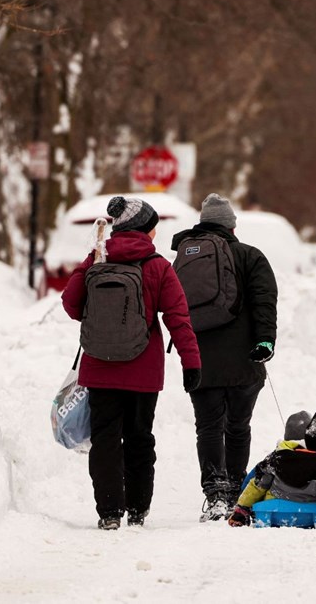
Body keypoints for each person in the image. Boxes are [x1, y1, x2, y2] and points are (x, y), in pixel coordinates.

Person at [62, 196, 201, 530]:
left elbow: (71, 305)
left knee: (106, 438)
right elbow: (177, 317)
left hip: (99, 366)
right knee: (140, 437)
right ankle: (137, 509)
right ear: (144, 229)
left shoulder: (98, 258)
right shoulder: (156, 266)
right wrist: (191, 362)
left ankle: (109, 512)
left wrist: (89, 264)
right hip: (143, 368)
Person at [171, 193, 278, 521]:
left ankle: (215, 493)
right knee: (237, 425)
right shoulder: (250, 256)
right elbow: (264, 300)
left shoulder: (185, 258)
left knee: (207, 426)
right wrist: (265, 341)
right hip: (243, 357)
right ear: (232, 225)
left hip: (199, 357)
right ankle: (234, 489)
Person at [240, 410, 316, 503]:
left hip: (277, 502)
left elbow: (255, 475)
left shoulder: (275, 457)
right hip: (311, 503)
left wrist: (242, 494)